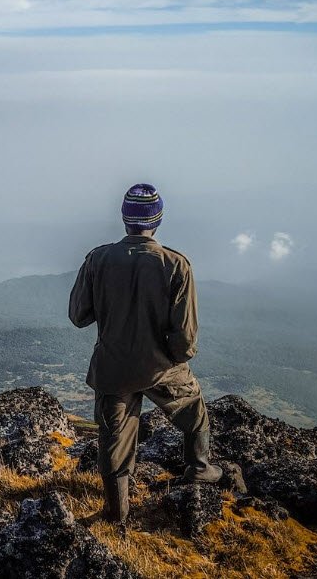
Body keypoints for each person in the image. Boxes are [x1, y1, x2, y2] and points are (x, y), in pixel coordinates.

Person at [68, 183, 224, 526]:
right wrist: (170, 358)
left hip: (112, 368)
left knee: (113, 438)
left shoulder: (97, 259)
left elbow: (79, 316)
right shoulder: (176, 265)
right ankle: (199, 468)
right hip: (160, 367)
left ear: (124, 219)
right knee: (195, 411)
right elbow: (185, 340)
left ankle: (116, 512)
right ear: (158, 219)